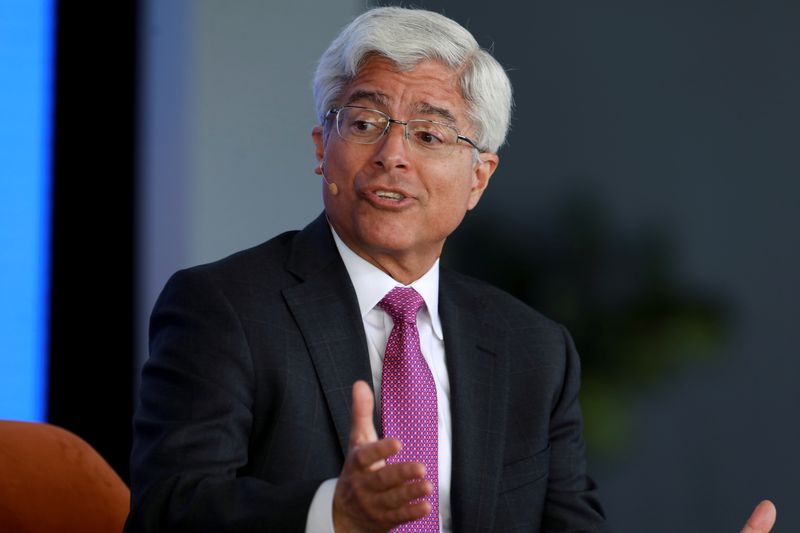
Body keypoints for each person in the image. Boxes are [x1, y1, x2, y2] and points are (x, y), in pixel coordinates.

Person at [126, 7, 776, 533]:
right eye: (364, 121)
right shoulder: (226, 307)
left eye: (429, 134)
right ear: (321, 148)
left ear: (478, 177)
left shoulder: (534, 350)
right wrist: (333, 513)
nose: (391, 155)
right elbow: (165, 510)